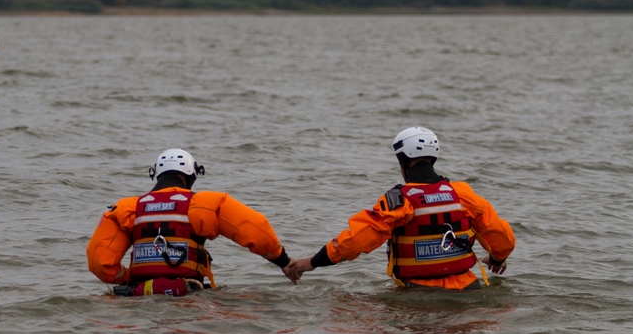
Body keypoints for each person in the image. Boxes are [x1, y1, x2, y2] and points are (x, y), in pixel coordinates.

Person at [287, 127, 515, 290]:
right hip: (469, 289)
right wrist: (496, 259)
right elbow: (501, 237)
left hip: (417, 294)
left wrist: (311, 263)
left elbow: (355, 241)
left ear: (402, 162)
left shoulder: (399, 201)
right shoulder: (463, 195)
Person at [87, 148, 297, 296]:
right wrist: (284, 262)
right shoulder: (205, 203)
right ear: (192, 175)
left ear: (156, 175)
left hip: (140, 294)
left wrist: (127, 279)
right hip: (189, 296)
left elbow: (100, 261)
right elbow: (256, 230)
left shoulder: (127, 208)